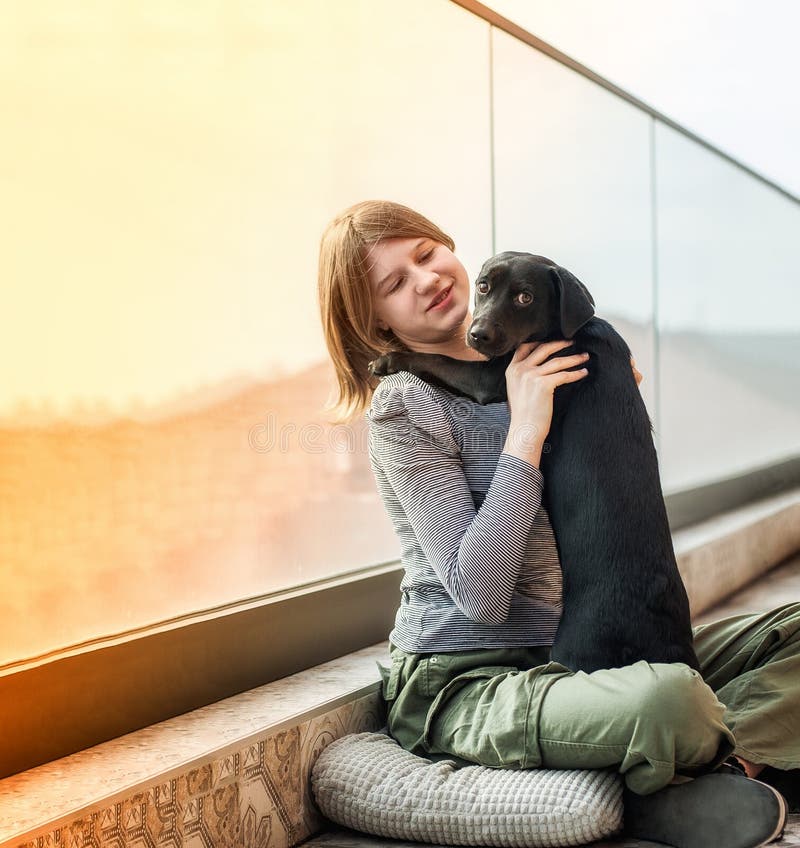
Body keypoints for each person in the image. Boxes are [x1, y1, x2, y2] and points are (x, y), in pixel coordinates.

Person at [317, 199, 800, 848]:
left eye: (426, 255)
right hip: (470, 679)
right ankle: (713, 759)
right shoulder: (406, 406)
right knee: (670, 701)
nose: (426, 279)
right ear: (374, 323)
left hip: (579, 651)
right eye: (395, 284)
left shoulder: (532, 355)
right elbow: (480, 596)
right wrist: (527, 429)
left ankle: (725, 768)